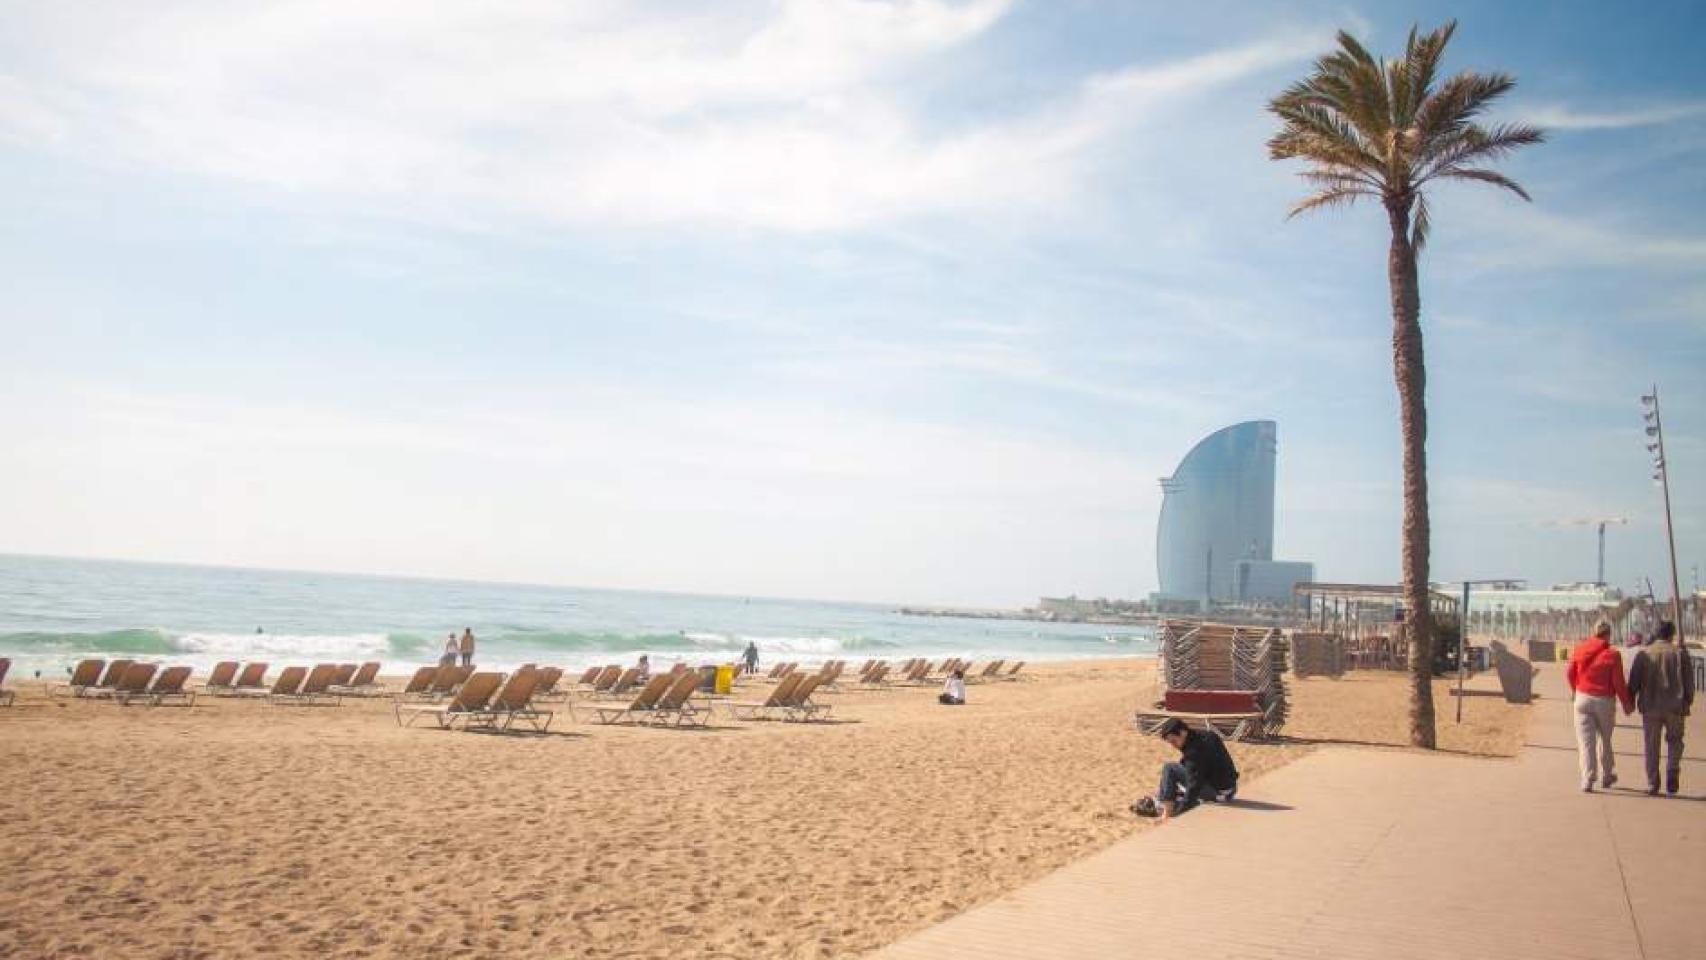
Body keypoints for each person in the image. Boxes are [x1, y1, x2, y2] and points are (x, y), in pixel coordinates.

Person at [1566, 619, 1634, 792]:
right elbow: (1618, 683)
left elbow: (1569, 672)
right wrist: (1626, 704)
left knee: (1585, 742)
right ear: (1608, 635)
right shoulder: (1613, 655)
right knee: (1605, 739)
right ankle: (1607, 775)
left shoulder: (1580, 649)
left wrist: (1575, 690)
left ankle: (1587, 779)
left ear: (1593, 633)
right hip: (1604, 701)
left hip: (1582, 698)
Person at [1627, 621, 1694, 796]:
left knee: (1651, 745)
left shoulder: (1644, 654)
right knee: (1675, 741)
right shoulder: (1680, 654)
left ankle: (1652, 782)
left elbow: (1633, 682)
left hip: (1650, 707)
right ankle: (1672, 771)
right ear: (1671, 634)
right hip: (1675, 706)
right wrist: (1688, 701)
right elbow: (1689, 682)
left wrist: (1630, 701)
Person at [1133, 717, 1239, 821]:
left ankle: (1164, 810)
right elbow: (1195, 769)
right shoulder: (1207, 735)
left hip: (1218, 793)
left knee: (1170, 768)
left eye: (1174, 741)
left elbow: (1194, 786)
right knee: (1178, 774)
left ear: (1183, 732)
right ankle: (1164, 800)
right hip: (1230, 788)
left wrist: (1180, 812)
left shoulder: (1193, 751)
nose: (1173, 745)